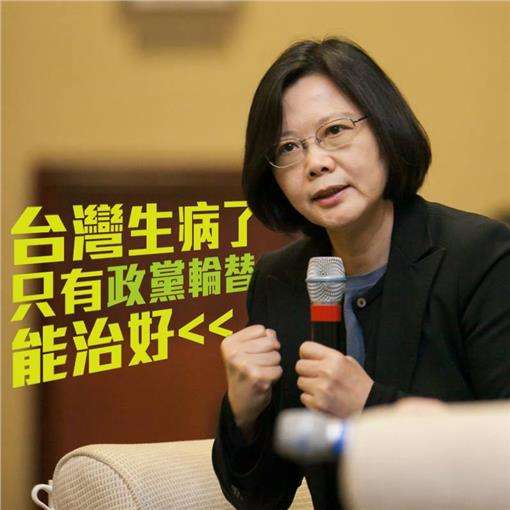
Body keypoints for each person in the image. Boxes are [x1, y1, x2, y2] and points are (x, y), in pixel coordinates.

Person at [212, 37, 510, 509]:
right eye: (288, 147)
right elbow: (263, 497)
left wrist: (369, 405)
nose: (315, 163)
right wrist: (243, 414)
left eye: (334, 130)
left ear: (385, 131)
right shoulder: (280, 281)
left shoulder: (479, 256)